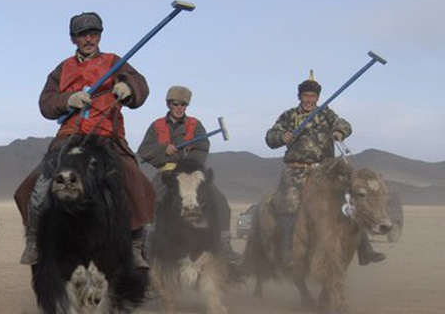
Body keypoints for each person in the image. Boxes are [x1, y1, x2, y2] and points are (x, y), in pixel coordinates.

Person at [14, 11, 156, 268]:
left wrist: (129, 88)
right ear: (73, 39)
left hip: (106, 136)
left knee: (135, 180)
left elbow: (141, 85)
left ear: (100, 35)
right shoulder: (62, 69)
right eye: (82, 35)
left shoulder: (115, 62)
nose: (89, 39)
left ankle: (134, 243)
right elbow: (45, 103)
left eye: (94, 33)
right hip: (69, 136)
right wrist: (68, 99)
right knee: (35, 186)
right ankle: (34, 239)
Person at [265, 71, 385, 266]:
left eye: (312, 97)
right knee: (288, 206)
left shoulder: (326, 113)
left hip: (325, 169)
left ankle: (365, 250)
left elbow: (344, 123)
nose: (309, 100)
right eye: (305, 96)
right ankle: (288, 254)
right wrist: (282, 137)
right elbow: (270, 137)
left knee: (352, 200)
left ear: (317, 98)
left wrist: (339, 131)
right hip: (296, 170)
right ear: (299, 97)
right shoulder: (288, 116)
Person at [137, 85, 242, 264]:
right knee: (149, 201)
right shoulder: (156, 126)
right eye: (175, 104)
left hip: (192, 174)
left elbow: (202, 148)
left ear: (187, 106)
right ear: (168, 104)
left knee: (220, 200)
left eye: (183, 104)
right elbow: (144, 151)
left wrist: (185, 158)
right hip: (167, 173)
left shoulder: (196, 125)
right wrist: (164, 150)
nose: (179, 108)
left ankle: (224, 245)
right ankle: (147, 246)